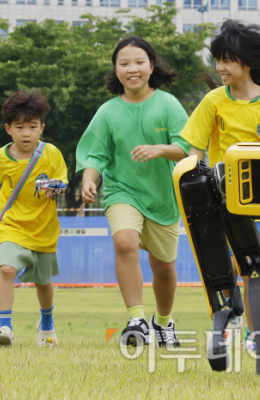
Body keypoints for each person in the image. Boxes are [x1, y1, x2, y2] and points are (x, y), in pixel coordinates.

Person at [179, 19, 260, 351]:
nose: (219, 67)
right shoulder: (212, 101)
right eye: (218, 59)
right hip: (220, 200)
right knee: (221, 267)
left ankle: (254, 335)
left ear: (247, 62)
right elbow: (194, 153)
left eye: (227, 60)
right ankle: (229, 320)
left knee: (249, 266)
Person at [77, 36, 191, 349]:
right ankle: (136, 318)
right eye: (124, 63)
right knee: (124, 243)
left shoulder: (167, 104)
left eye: (139, 62)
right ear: (115, 70)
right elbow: (94, 155)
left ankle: (163, 321)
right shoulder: (107, 112)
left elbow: (187, 149)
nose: (132, 69)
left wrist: (160, 149)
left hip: (163, 197)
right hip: (121, 191)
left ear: (151, 67)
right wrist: (90, 179)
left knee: (164, 267)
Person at [0, 89, 68, 347]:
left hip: (43, 229)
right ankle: (5, 326)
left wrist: (55, 188)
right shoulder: (1, 157)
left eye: (32, 126)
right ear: (8, 129)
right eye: (19, 127)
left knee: (43, 282)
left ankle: (47, 324)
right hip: (12, 226)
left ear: (42, 127)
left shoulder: (51, 153)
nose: (26, 133)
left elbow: (62, 182)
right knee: (6, 269)